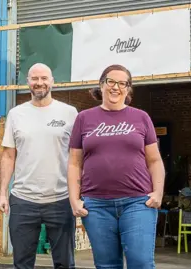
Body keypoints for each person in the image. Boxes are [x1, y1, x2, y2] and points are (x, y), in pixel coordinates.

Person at [67, 64, 165, 269]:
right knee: (107, 265)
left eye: (122, 83)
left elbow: (154, 160)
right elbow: (75, 163)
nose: (116, 87)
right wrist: (74, 200)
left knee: (141, 262)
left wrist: (158, 193)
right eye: (111, 81)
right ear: (101, 85)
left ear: (128, 89)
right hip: (96, 205)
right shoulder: (84, 118)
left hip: (138, 202)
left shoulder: (141, 117)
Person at [0, 63, 78, 269]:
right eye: (34, 78)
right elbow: (8, 155)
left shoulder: (70, 113)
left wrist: (77, 194)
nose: (39, 83)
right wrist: (2, 194)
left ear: (52, 81)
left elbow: (78, 157)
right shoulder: (16, 114)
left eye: (44, 78)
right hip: (23, 200)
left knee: (65, 263)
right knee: (22, 263)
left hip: (61, 199)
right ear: (28, 82)